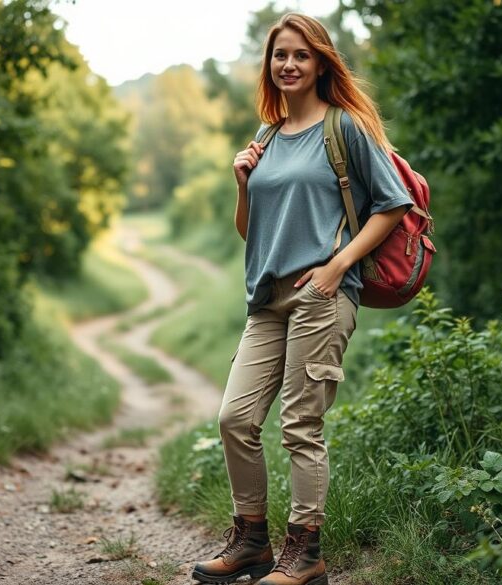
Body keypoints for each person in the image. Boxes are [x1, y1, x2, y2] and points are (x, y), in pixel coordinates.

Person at [191, 12, 414, 585]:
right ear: (269, 65)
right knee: (234, 418)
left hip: (321, 295)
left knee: (299, 426)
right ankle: (251, 542)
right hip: (266, 299)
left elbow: (393, 207)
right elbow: (253, 231)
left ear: (320, 63)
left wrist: (337, 267)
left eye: (301, 55)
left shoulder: (346, 130)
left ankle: (306, 552)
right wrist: (242, 183)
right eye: (279, 55)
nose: (288, 65)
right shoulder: (265, 136)